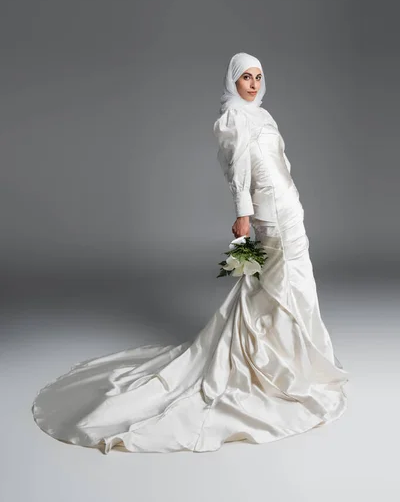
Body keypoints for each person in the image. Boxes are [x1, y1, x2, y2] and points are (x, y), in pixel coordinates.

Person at [31, 52, 349, 454]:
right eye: (245, 78)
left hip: (290, 208)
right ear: (232, 81)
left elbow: (282, 163)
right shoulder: (233, 119)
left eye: (258, 77)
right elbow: (238, 171)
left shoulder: (264, 117)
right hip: (268, 215)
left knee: (292, 282)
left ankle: (292, 358)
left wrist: (294, 199)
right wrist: (244, 217)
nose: (252, 84)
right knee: (277, 284)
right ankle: (276, 365)